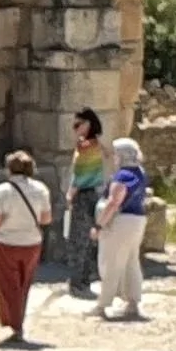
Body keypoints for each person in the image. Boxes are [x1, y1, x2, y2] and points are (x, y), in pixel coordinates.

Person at [0, 149, 54, 345]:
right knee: (24, 284)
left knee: (9, 285)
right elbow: (46, 218)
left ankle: (16, 324)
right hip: (31, 243)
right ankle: (18, 319)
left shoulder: (2, 191)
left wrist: (4, 222)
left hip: (6, 242)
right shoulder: (41, 189)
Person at [94, 134, 153, 321]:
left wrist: (100, 224)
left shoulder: (123, 175)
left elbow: (114, 201)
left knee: (111, 263)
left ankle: (103, 304)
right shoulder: (140, 173)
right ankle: (133, 302)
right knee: (131, 262)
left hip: (121, 221)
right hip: (137, 220)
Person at [64, 107, 108, 299]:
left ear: (87, 124)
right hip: (95, 194)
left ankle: (78, 282)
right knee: (88, 241)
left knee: (79, 240)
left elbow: (82, 174)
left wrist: (71, 192)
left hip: (83, 194)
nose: (75, 129)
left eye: (77, 125)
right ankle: (83, 280)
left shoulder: (86, 146)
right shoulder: (96, 144)